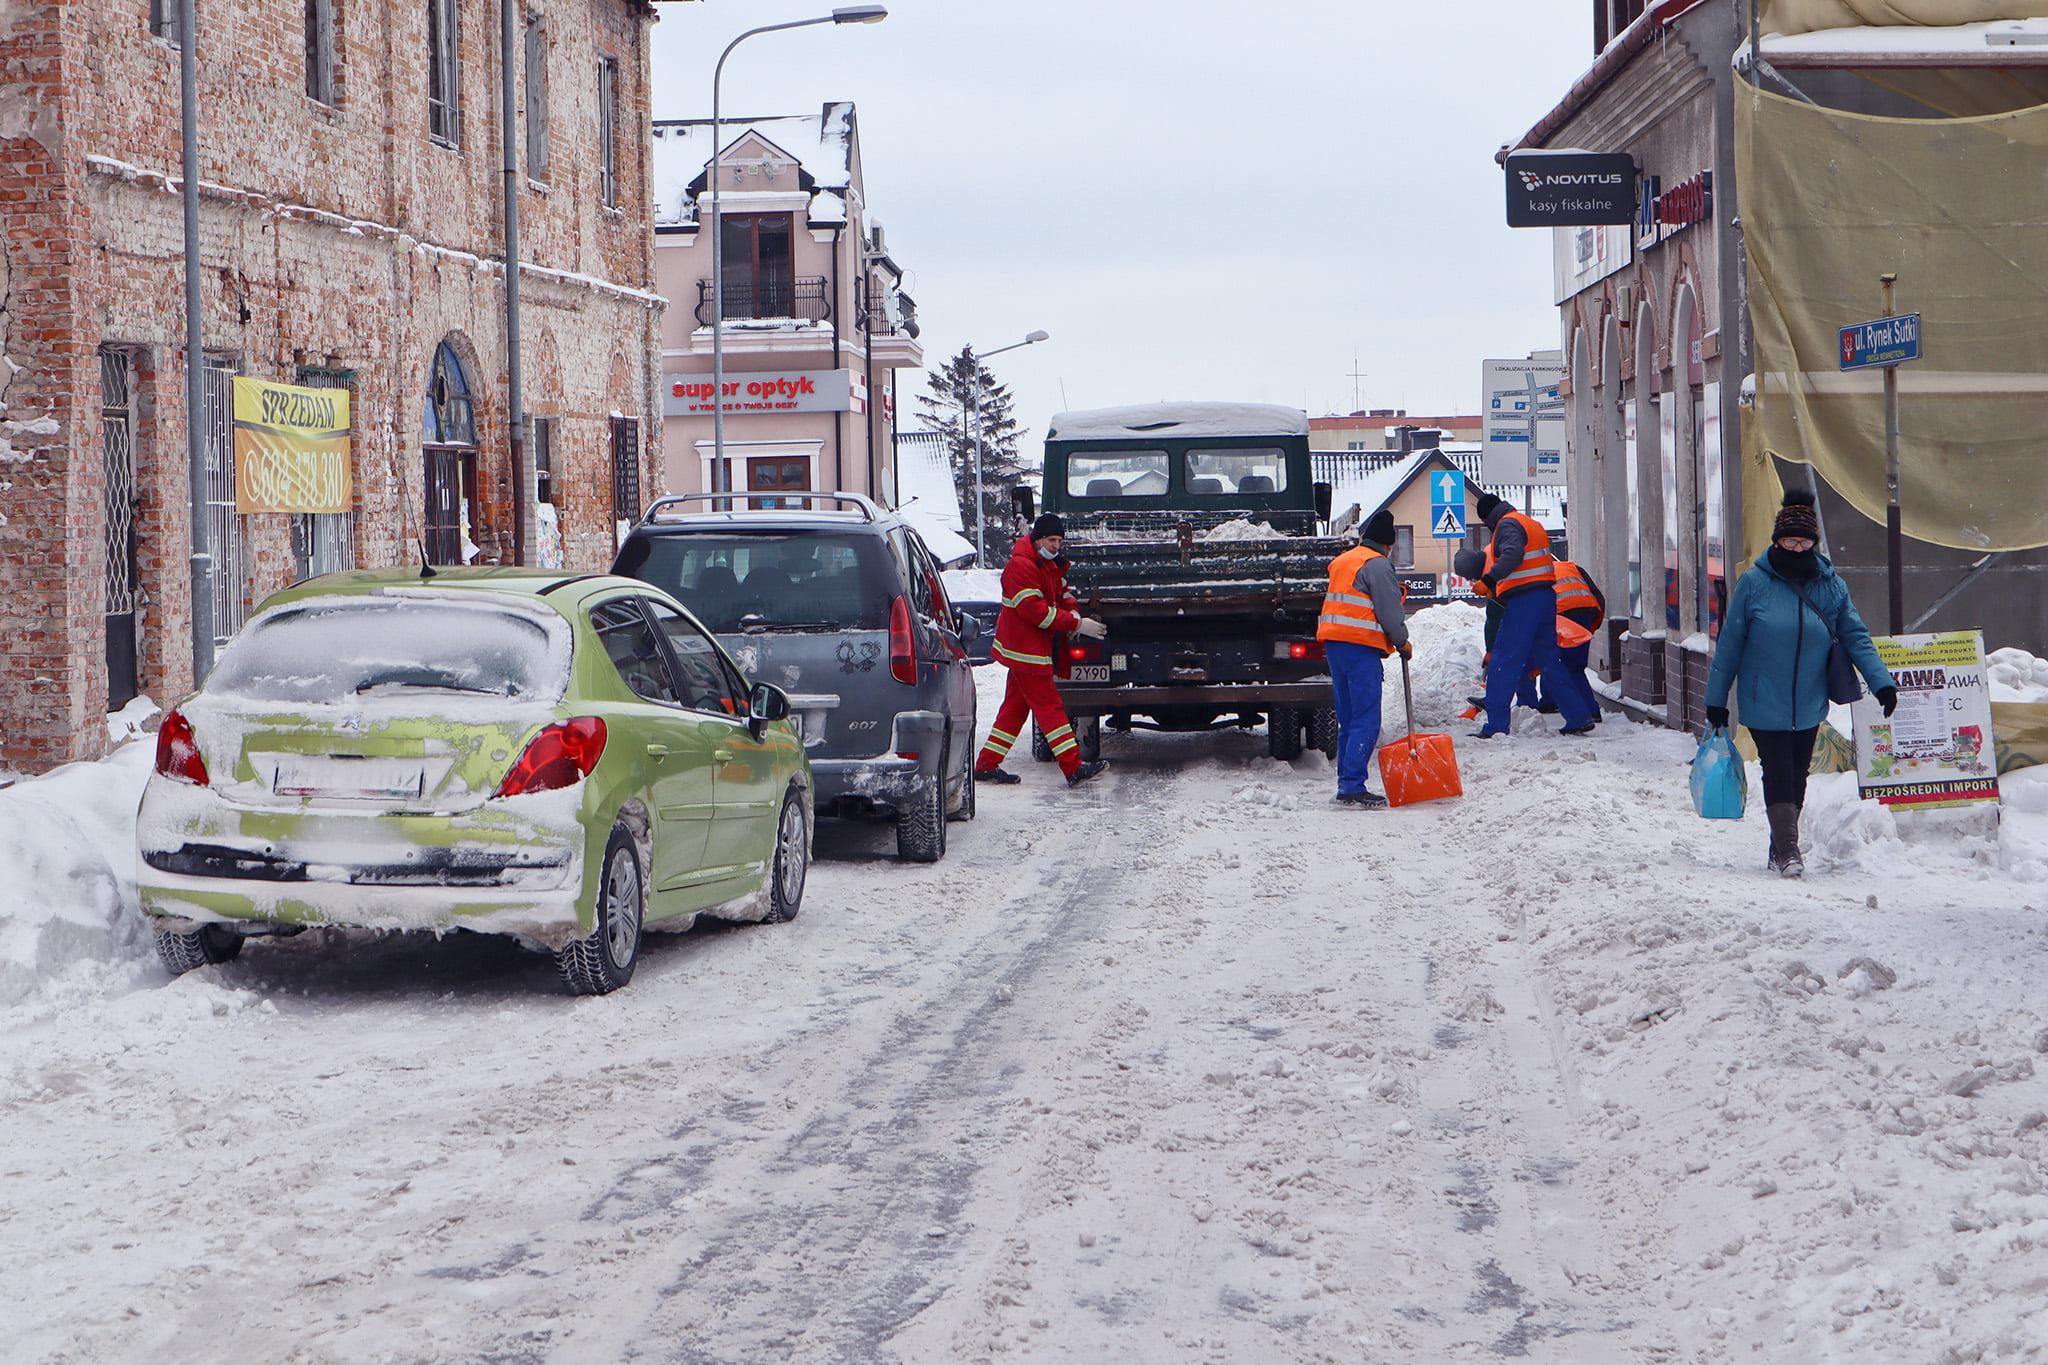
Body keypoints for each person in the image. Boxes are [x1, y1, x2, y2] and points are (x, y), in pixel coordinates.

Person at [1704, 488, 1896, 877]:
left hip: (1809, 699)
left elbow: (1856, 635)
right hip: (1763, 699)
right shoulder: (1754, 584)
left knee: (1797, 774)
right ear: (1777, 540)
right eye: (1789, 540)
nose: (1795, 547)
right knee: (1777, 769)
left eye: (1803, 540)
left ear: (1813, 543)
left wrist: (1882, 683)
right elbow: (1730, 645)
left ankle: (1779, 846)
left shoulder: (1830, 586)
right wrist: (1716, 700)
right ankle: (1790, 850)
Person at [975, 514, 1110, 788]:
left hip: (1027, 651)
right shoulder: (1020, 567)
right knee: (1050, 709)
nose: (1056, 545)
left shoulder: (1045, 564)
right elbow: (1034, 611)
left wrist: (1072, 611)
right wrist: (1076, 623)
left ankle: (986, 765)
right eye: (1052, 540)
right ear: (1038, 540)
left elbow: (1063, 591)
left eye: (1059, 541)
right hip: (1027, 652)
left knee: (1014, 709)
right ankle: (1073, 768)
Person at [1470, 493, 1598, 739]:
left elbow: (1513, 554)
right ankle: (1578, 716)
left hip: (1524, 600)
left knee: (1504, 659)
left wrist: (1488, 579)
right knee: (1550, 660)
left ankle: (1496, 725)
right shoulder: (1529, 522)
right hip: (1545, 597)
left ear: (1488, 519)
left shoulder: (1507, 525)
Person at [1315, 510, 1411, 808]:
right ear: (1387, 544)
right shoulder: (1378, 564)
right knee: (1367, 719)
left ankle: (1347, 782)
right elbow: (1389, 611)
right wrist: (1402, 640)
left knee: (1349, 718)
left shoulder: (1344, 560)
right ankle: (1353, 787)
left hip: (1335, 646)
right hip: (1360, 648)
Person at [1544, 555, 1606, 722]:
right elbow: (1598, 597)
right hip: (1586, 612)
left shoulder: (1540, 574)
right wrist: (1591, 628)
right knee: (1573, 665)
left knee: (1558, 663)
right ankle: (1552, 701)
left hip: (1563, 614)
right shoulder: (1572, 567)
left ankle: (1589, 711)